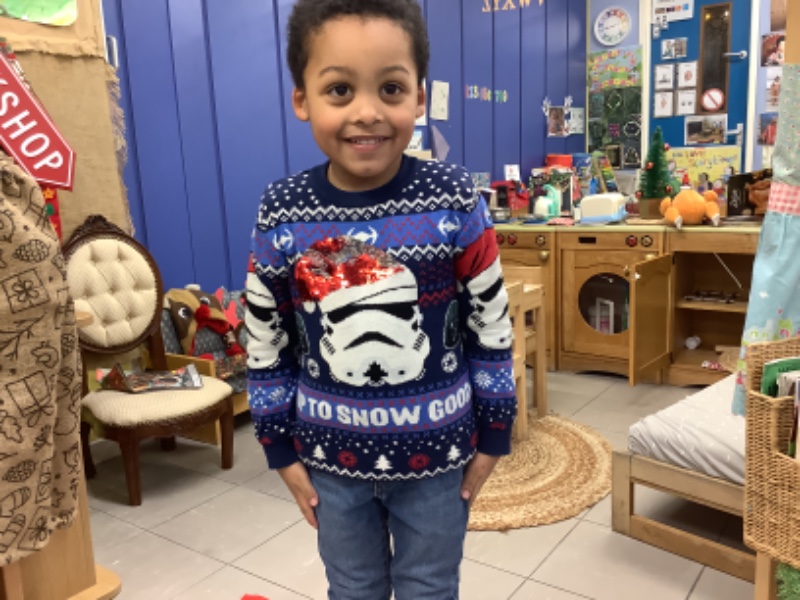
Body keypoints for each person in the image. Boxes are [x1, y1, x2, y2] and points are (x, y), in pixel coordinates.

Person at [245, 1, 517, 598]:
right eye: (339, 89)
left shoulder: (455, 198)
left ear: (418, 97)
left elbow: (490, 325)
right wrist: (278, 448)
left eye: (390, 88)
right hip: (328, 463)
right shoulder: (282, 211)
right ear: (302, 100)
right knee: (352, 589)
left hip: (439, 460)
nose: (366, 111)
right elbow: (265, 339)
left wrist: (496, 431)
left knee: (430, 589)